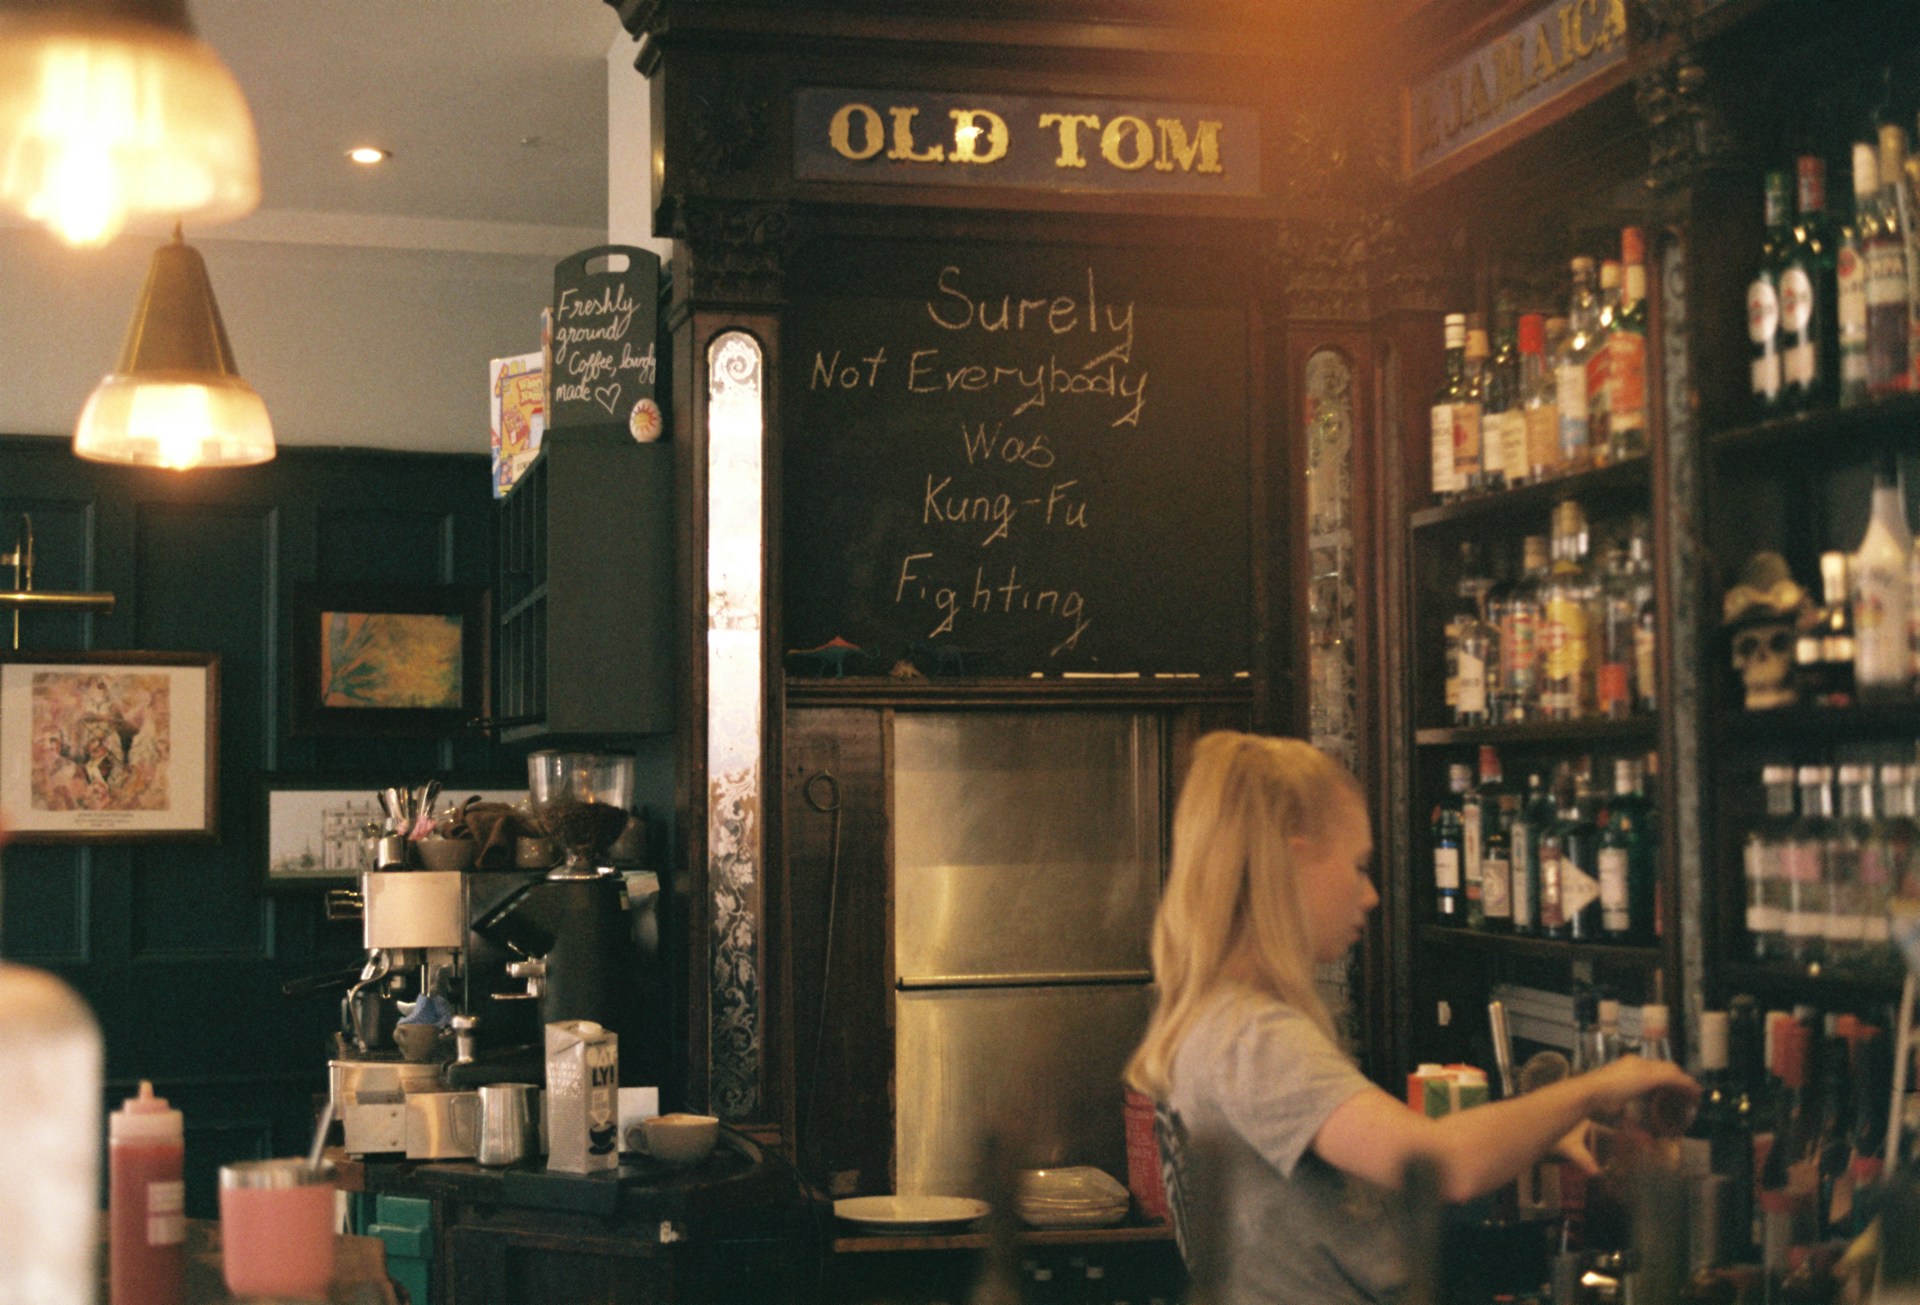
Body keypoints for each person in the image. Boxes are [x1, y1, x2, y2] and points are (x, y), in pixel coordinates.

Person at [1124, 732, 1698, 1304]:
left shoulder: (1218, 1017)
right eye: (1359, 867)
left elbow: (1371, 1174)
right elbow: (1441, 1165)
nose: (1371, 895)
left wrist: (1542, 1134)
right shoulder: (1254, 1035)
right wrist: (1598, 1086)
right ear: (1291, 863)